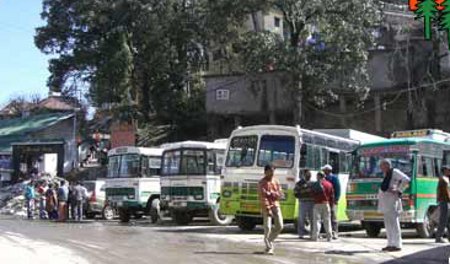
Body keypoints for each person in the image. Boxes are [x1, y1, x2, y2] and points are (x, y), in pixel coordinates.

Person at [378, 159, 410, 252]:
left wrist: (399, 190)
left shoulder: (394, 172)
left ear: (387, 165)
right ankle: (390, 243)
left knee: (394, 223)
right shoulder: (386, 174)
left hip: (392, 201)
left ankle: (397, 244)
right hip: (386, 202)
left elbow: (406, 179)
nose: (381, 168)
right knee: (388, 223)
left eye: (382, 166)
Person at [259, 164, 284, 255]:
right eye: (271, 171)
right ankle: (269, 247)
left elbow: (281, 195)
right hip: (267, 207)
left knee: (280, 226)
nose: (272, 173)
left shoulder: (276, 181)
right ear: (265, 172)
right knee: (267, 227)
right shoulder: (262, 183)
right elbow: (263, 197)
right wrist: (268, 208)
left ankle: (269, 240)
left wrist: (271, 193)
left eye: (273, 171)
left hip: (276, 205)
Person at [311, 171, 334, 242]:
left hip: (317, 204)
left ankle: (315, 237)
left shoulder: (315, 184)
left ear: (319, 176)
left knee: (317, 221)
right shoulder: (329, 184)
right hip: (326, 204)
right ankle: (329, 237)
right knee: (327, 221)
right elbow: (332, 196)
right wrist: (331, 205)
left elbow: (312, 194)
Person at [322, 164, 341, 239]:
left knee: (333, 217)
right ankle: (327, 232)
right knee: (326, 217)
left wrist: (336, 200)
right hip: (326, 201)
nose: (323, 171)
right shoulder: (324, 178)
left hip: (332, 201)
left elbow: (338, 190)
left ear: (328, 170)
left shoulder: (334, 178)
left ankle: (335, 232)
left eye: (324, 170)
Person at [294, 170, 314, 238]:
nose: (309, 175)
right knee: (301, 219)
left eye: (310, 174)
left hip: (312, 203)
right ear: (304, 174)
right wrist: (304, 191)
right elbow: (296, 193)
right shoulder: (299, 183)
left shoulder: (312, 183)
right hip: (303, 202)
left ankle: (312, 233)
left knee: (312, 218)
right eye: (308, 174)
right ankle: (301, 234)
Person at [435, 165, 450, 243]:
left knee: (447, 220)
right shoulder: (443, 179)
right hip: (444, 201)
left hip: (446, 201)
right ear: (444, 171)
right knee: (443, 220)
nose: (449, 171)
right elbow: (443, 192)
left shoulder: (446, 179)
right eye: (448, 170)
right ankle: (439, 237)